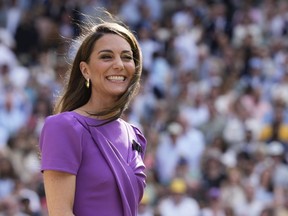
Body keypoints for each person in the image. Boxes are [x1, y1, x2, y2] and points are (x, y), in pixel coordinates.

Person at [39, 12, 147, 216]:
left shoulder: (135, 134)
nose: (119, 65)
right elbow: (61, 212)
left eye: (127, 57)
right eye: (106, 56)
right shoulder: (63, 127)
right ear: (85, 70)